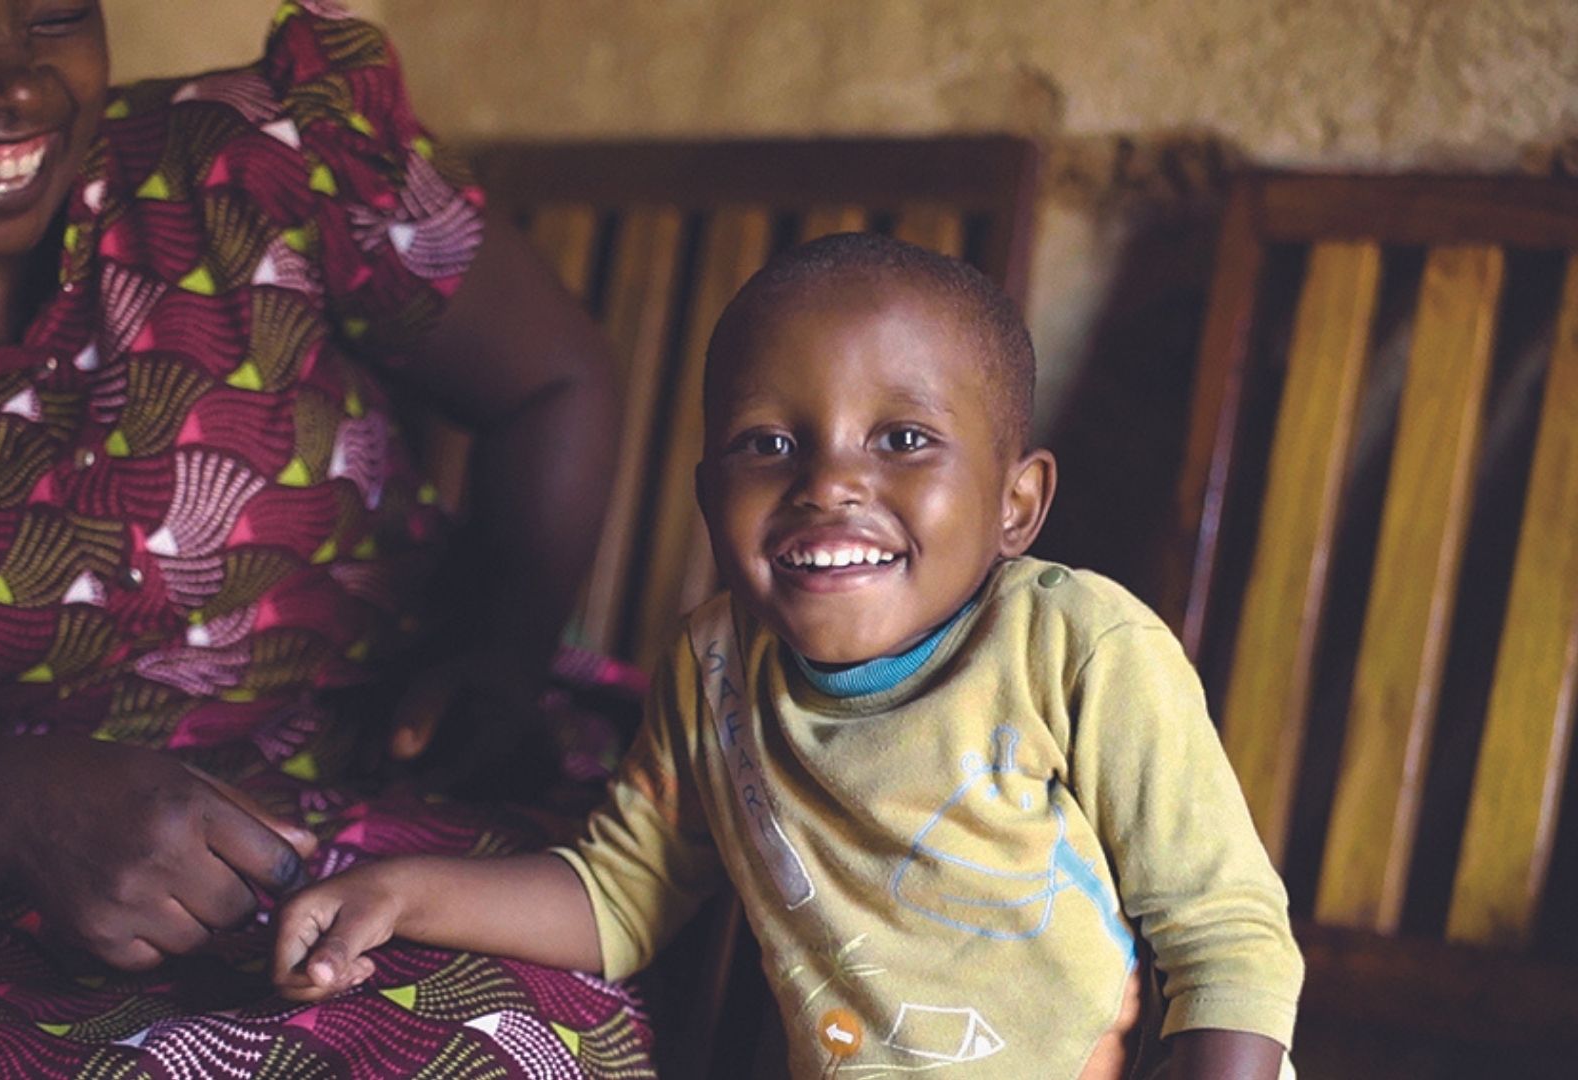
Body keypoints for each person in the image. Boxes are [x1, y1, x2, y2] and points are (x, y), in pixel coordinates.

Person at [0, 0, 654, 1074]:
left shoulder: (260, 159)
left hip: (399, 843)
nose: (16, 84)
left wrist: (498, 655)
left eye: (53, 17)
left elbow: (554, 381)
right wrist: (5, 811)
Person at [272, 234, 1306, 1078]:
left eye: (902, 438)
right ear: (706, 494)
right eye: (768, 443)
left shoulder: (1079, 648)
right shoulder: (718, 668)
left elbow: (1229, 938)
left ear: (1017, 503)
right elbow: (621, 897)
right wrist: (401, 894)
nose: (827, 483)